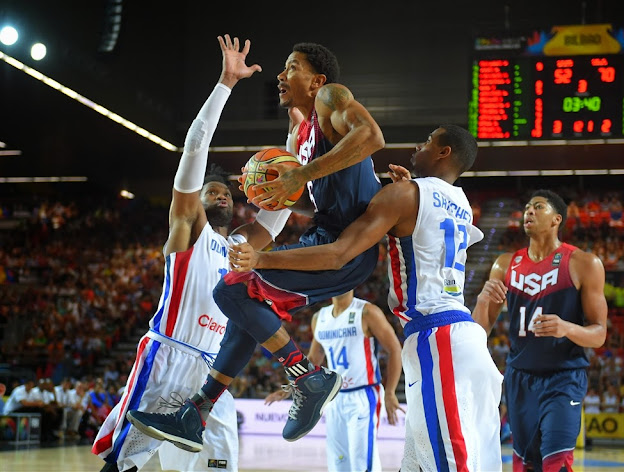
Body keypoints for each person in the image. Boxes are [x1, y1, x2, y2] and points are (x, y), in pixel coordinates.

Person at [127, 40, 385, 449]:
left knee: (230, 288)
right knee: (246, 307)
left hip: (349, 244)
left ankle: (308, 377)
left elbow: (371, 137)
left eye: (291, 67)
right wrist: (273, 190)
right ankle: (196, 412)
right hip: (324, 233)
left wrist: (301, 176)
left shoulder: (331, 97)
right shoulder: (298, 133)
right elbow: (307, 191)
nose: (280, 76)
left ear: (316, 80)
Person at [228, 125, 504, 471]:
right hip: (463, 338)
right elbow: (426, 221)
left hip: (438, 337)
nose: (418, 144)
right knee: (434, 462)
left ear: (444, 152)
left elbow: (338, 253)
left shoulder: (405, 195)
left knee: (449, 463)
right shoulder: (462, 202)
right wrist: (405, 191)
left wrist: (262, 258)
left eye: (429, 141)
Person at [92, 34, 277, 472]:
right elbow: (195, 149)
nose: (222, 196)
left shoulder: (240, 247)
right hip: (168, 358)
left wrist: (297, 142)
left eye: (228, 193)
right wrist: (225, 85)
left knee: (218, 468)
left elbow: (275, 218)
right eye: (211, 191)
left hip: (214, 376)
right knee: (124, 464)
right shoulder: (188, 229)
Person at [471, 189, 608, 472]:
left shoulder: (584, 263)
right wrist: (483, 300)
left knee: (556, 463)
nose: (529, 212)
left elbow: (599, 333)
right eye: (527, 208)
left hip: (564, 378)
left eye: (538, 207)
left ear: (557, 219)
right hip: (519, 379)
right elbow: (479, 331)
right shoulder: (505, 264)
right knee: (525, 465)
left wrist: (566, 327)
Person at [264, 290, 403, 472]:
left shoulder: (367, 312)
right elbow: (313, 359)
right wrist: (289, 388)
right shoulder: (319, 318)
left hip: (363, 394)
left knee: (362, 461)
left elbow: (395, 350)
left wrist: (390, 391)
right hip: (333, 396)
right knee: (339, 462)